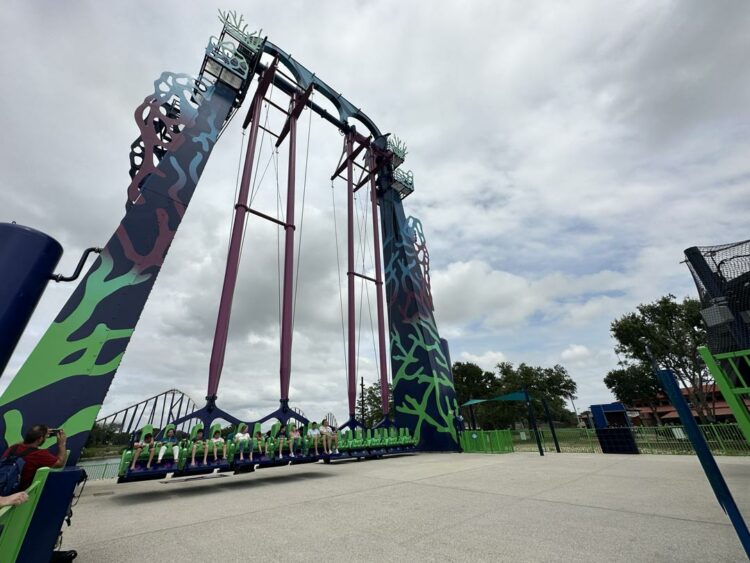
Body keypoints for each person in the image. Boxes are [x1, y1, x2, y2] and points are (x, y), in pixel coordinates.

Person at [2, 425, 67, 490]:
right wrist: (61, 444)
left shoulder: (13, 448)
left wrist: (38, 435)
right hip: (19, 494)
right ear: (40, 439)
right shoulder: (39, 454)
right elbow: (60, 463)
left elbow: (24, 443)